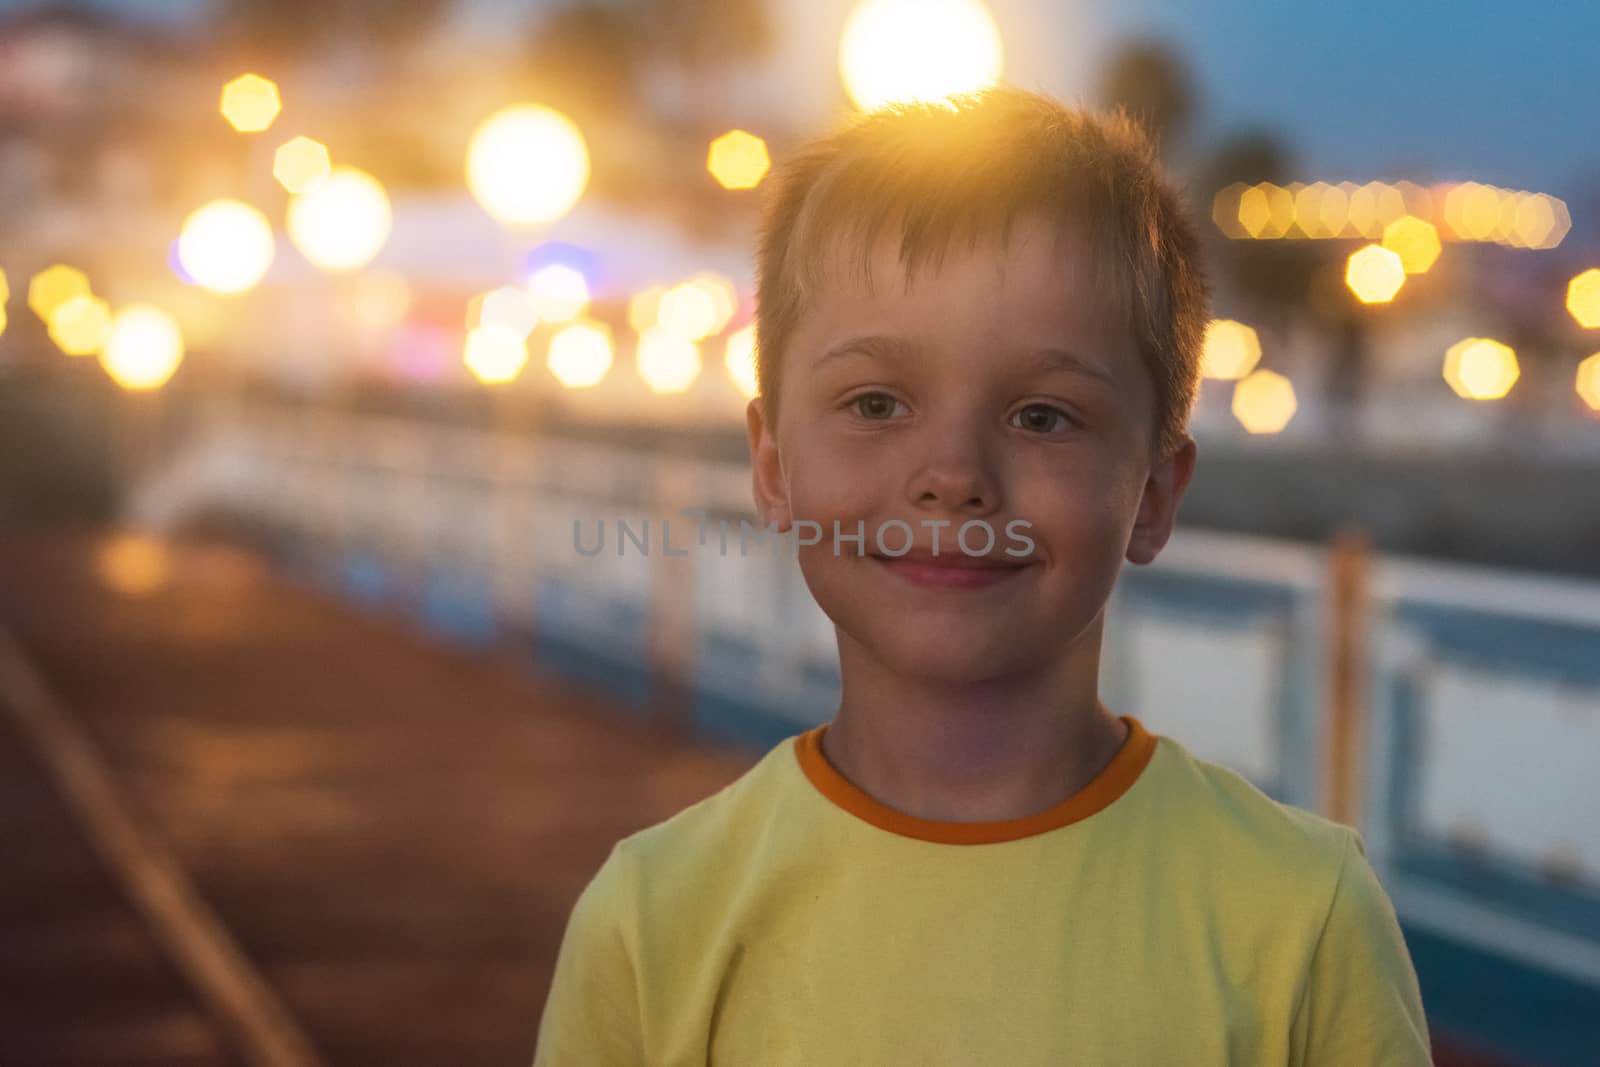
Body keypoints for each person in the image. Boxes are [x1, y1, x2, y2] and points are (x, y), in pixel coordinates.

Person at [532, 86, 1432, 1065]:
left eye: (1042, 415)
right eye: (875, 402)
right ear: (772, 465)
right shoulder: (654, 920)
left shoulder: (1302, 918)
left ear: (1154, 494)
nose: (953, 474)